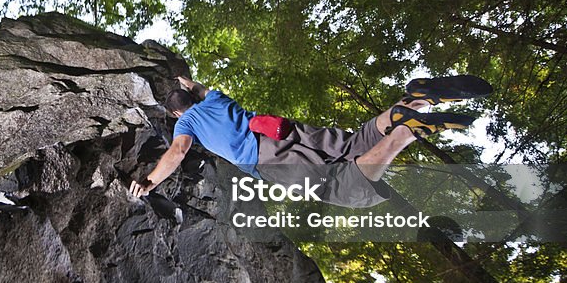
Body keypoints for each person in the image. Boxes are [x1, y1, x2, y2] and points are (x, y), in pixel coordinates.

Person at [128, 75, 492, 208]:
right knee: (354, 146)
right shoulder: (214, 99)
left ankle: (406, 131)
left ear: (178, 114)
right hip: (282, 130)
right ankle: (414, 101)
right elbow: (202, 88)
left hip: (266, 159)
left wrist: (149, 181)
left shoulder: (186, 123)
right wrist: (190, 84)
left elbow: (178, 152)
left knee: (344, 189)